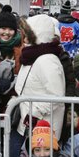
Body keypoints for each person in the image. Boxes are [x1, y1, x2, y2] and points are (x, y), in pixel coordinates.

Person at [14, 14, 67, 143]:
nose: (24, 38)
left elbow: (56, 97)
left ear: (37, 35)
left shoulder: (47, 60)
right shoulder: (32, 56)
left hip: (42, 127)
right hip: (29, 124)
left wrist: (34, 113)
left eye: (28, 34)